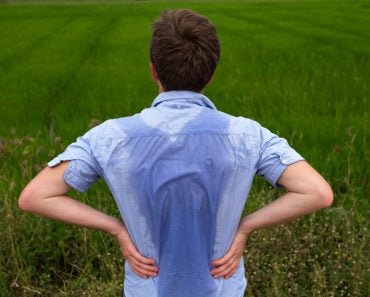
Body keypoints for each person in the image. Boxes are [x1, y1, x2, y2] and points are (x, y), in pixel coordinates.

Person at [18, 9, 333, 297]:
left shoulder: (110, 136)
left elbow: (34, 197)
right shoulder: (247, 134)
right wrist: (244, 228)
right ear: (210, 74)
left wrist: (116, 229)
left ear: (153, 70)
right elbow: (317, 193)